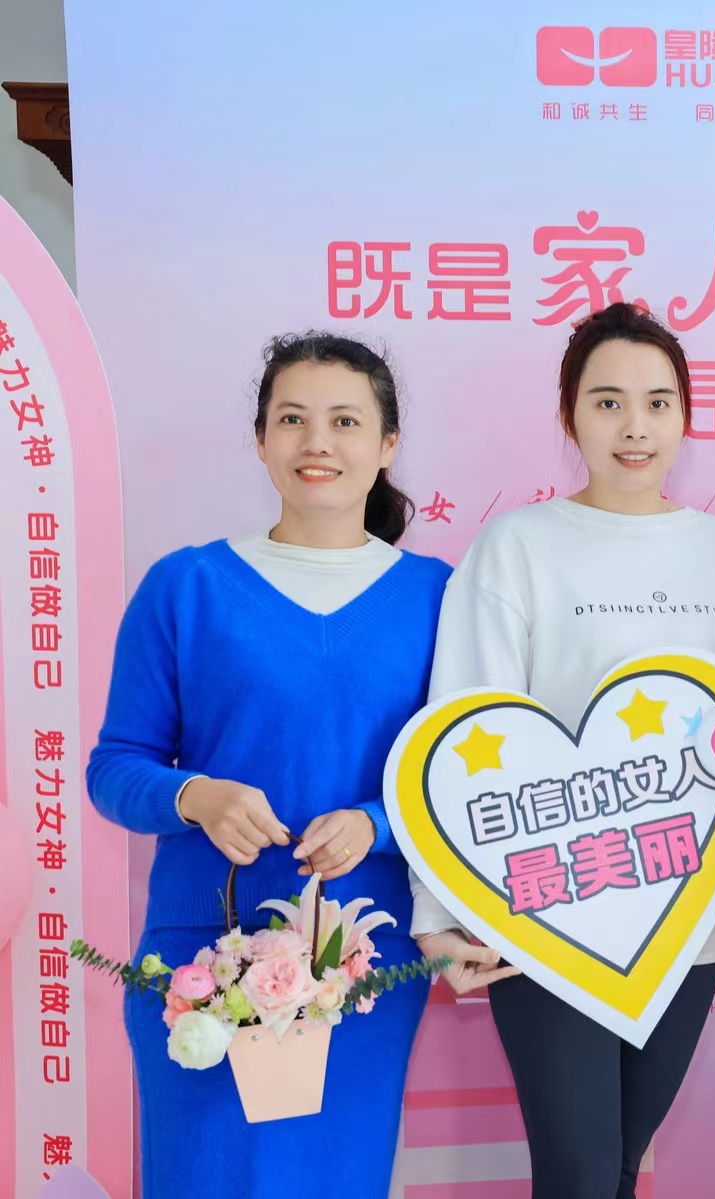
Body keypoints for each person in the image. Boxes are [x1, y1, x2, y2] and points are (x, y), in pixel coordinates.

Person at [409, 302, 715, 1199]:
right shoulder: (518, 545)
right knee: (575, 1172)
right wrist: (440, 910)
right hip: (544, 910)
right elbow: (461, 729)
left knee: (615, 1166)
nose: (635, 426)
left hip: (684, 917)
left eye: (658, 402)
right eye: (608, 402)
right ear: (569, 415)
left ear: (686, 416)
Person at [86, 332, 450, 1196]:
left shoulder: (439, 595)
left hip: (362, 964)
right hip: (200, 964)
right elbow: (116, 766)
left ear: (388, 444)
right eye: (292, 418)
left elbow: (460, 779)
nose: (317, 441)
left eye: (345, 420)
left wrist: (377, 823)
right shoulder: (187, 587)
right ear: (260, 439)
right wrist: (195, 794)